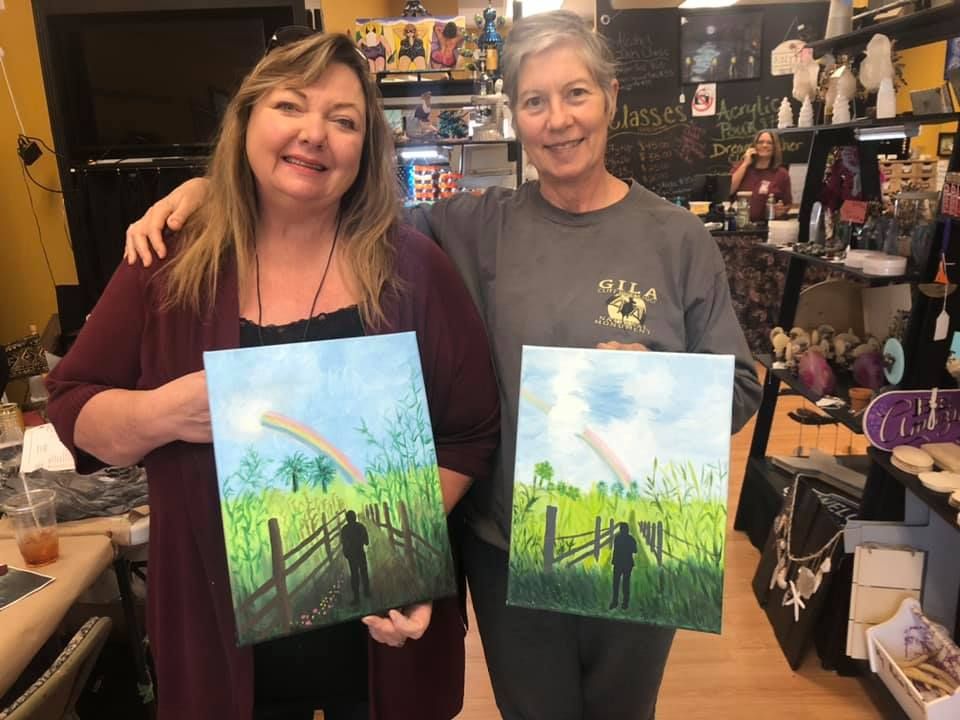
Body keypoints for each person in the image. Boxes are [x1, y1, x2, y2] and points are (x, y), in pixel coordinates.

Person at [124, 12, 762, 720]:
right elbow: (328, 202)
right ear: (514, 115)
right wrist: (213, 190)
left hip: (643, 531)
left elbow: (737, 386)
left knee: (623, 710)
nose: (559, 120)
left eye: (576, 94)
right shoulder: (473, 225)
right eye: (534, 101)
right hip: (505, 546)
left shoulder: (677, 238)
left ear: (611, 97)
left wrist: (655, 383)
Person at [48, 32, 499, 720]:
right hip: (220, 650)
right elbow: (72, 410)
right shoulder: (168, 265)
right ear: (248, 120)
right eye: (291, 105)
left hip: (380, 641)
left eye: (344, 120)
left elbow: (470, 433)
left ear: (365, 148)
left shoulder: (413, 269)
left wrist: (407, 545)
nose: (314, 134)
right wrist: (164, 413)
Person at [729, 130, 792, 222]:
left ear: (775, 148)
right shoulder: (741, 168)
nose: (764, 145)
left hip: (766, 226)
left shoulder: (782, 174)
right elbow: (729, 190)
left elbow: (788, 204)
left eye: (769, 143)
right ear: (754, 146)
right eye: (760, 142)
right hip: (739, 225)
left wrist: (781, 210)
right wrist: (745, 163)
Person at [341, 510, 371, 605]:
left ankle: (357, 597)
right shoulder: (360, 526)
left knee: (354, 575)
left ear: (347, 519)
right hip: (360, 552)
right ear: (355, 517)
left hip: (351, 555)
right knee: (364, 572)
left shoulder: (345, 529)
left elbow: (344, 543)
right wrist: (362, 541)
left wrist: (346, 553)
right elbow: (366, 541)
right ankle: (366, 592)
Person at [610, 522, 637, 610]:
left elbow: (615, 550)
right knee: (626, 584)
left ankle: (615, 602)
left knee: (616, 584)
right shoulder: (631, 539)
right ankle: (625, 604)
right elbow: (635, 550)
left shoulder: (617, 538)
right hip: (627, 564)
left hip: (618, 563)